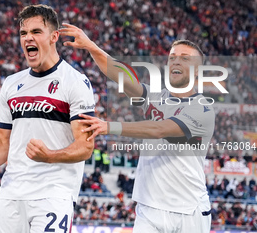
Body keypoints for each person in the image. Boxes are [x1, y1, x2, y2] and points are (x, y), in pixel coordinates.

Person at [60, 24, 214, 233]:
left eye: (185, 58)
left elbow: (160, 129)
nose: (176, 60)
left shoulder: (202, 109)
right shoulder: (156, 97)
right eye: (172, 57)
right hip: (148, 209)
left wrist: (110, 126)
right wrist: (91, 46)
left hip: (188, 210)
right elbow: (121, 76)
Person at [0, 5, 95, 233]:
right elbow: (3, 141)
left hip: (53, 194)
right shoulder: (11, 84)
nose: (28, 38)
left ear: (54, 36)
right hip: (11, 193)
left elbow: (85, 147)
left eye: (36, 32)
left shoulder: (76, 82)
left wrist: (50, 157)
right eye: (23, 33)